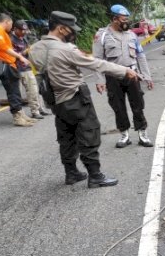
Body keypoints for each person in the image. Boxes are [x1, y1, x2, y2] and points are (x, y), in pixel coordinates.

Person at [29, 11, 139, 188]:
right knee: (89, 134)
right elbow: (96, 63)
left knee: (66, 136)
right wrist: (125, 70)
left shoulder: (35, 49)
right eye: (70, 29)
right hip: (75, 98)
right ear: (61, 28)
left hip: (56, 101)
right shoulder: (66, 49)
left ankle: (71, 173)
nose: (73, 32)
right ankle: (95, 176)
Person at [92, 4, 155, 148]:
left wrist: (147, 76)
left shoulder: (131, 35)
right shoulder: (102, 36)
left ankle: (142, 134)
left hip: (132, 75)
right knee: (118, 106)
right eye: (123, 20)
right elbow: (97, 60)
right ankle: (124, 135)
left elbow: (140, 56)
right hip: (113, 76)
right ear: (114, 19)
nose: (126, 22)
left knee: (138, 104)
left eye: (127, 19)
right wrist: (100, 80)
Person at [0, 13, 36, 127]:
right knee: (13, 92)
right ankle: (17, 118)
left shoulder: (1, 32)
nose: (11, 27)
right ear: (7, 22)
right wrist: (19, 56)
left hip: (10, 64)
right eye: (11, 24)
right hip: (6, 65)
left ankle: (21, 115)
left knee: (16, 92)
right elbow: (2, 47)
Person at [11, 19, 51, 119]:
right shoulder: (10, 39)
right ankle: (20, 115)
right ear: (15, 29)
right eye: (21, 30)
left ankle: (37, 110)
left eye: (25, 30)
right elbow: (10, 55)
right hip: (16, 68)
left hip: (27, 67)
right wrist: (24, 52)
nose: (23, 32)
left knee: (34, 90)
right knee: (17, 94)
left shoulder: (24, 38)